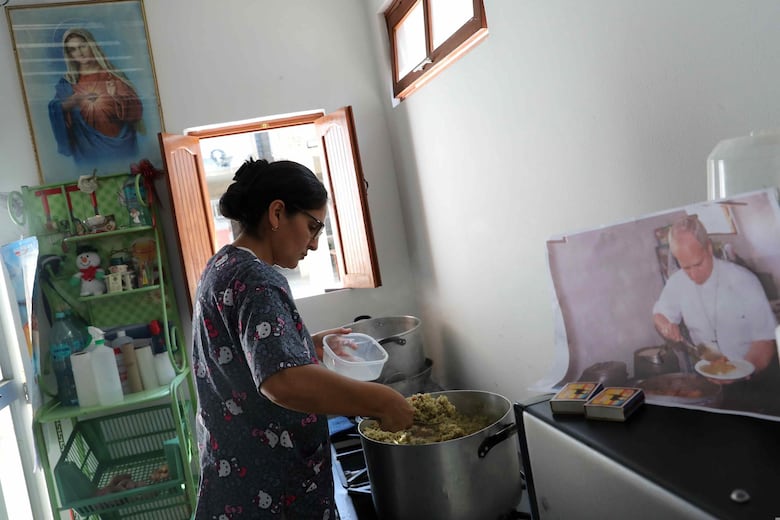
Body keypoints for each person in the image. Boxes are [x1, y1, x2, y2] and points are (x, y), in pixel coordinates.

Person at [191, 158, 414, 519]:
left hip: (235, 476)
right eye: (312, 227)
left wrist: (305, 344)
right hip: (271, 489)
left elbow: (239, 358)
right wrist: (383, 401)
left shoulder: (223, 266)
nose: (313, 244)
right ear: (277, 213)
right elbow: (282, 382)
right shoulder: (258, 279)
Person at [652, 215, 777, 376]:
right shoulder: (677, 282)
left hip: (754, 375)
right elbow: (659, 315)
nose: (694, 275)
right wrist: (665, 325)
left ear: (709, 248)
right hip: (709, 373)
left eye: (698, 264)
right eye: (686, 267)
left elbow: (765, 341)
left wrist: (740, 371)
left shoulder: (744, 280)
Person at [48, 28, 143, 165]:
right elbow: (56, 108)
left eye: (82, 46)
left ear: (91, 45)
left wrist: (116, 97)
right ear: (69, 55)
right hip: (86, 148)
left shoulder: (112, 75)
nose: (80, 53)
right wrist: (70, 103)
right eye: (73, 50)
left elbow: (136, 111)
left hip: (122, 146)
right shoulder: (68, 82)